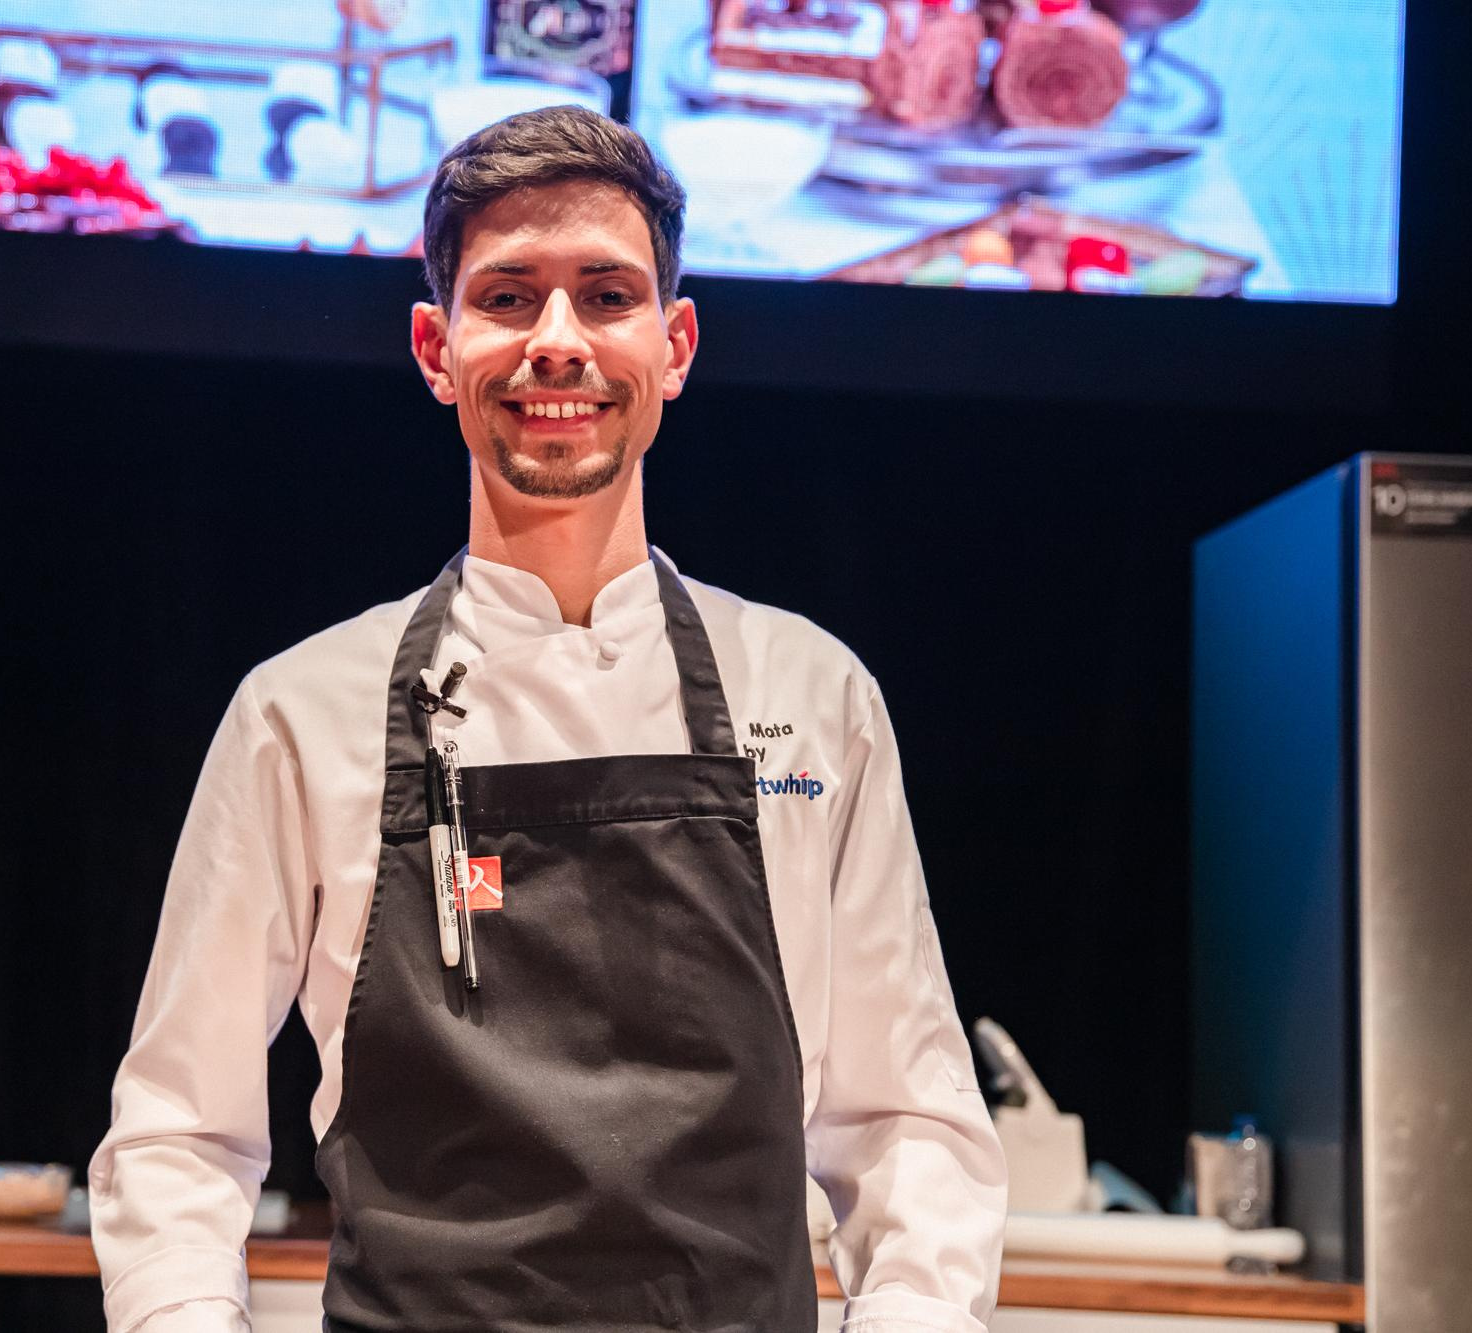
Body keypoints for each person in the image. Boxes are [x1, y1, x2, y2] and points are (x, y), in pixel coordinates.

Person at [90, 105, 1006, 1333]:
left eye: (605, 295)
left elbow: (907, 1124)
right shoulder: (300, 713)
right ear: (435, 346)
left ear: (674, 345)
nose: (556, 342)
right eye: (508, 297)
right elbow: (177, 1133)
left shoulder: (809, 694)